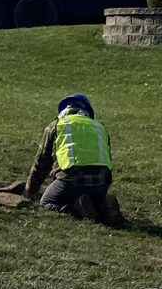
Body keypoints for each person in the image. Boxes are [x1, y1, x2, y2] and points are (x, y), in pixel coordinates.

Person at [25, 93, 124, 225]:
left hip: (71, 179)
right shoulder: (100, 127)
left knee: (47, 202)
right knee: (93, 200)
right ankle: (104, 205)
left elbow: (41, 162)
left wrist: (30, 191)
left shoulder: (56, 126)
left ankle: (76, 207)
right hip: (101, 182)